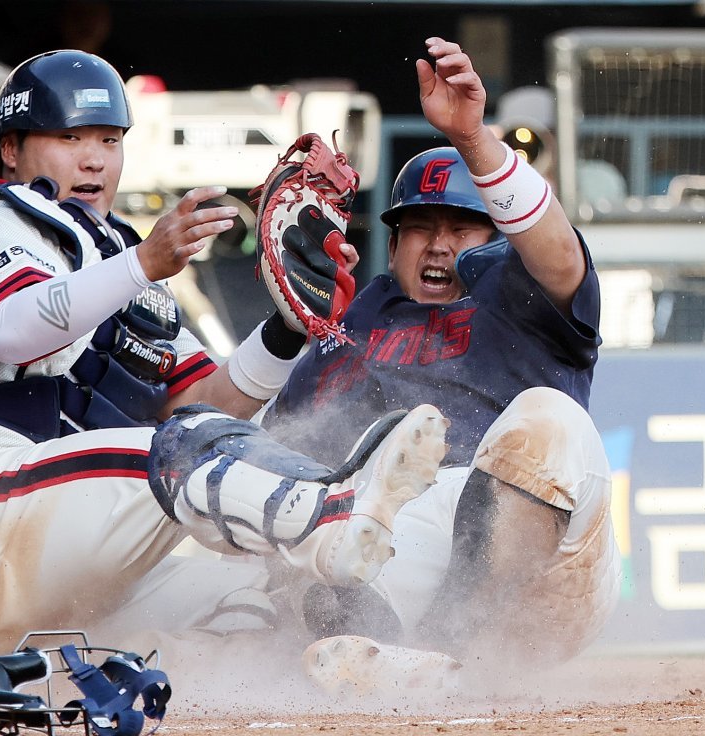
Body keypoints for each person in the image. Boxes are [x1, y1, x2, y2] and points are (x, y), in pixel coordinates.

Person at [0, 48, 450, 656]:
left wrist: (287, 329)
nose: (93, 158)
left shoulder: (128, 271)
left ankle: (339, 660)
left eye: (108, 139)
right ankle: (335, 512)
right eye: (68, 136)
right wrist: (143, 262)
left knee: (265, 598)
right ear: (12, 150)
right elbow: (14, 328)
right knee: (186, 450)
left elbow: (208, 405)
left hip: (70, 564)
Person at [254, 37, 621, 670]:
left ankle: (458, 638)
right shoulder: (356, 318)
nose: (437, 244)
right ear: (393, 245)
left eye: (460, 227)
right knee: (330, 565)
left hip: (544, 563)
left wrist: (477, 140)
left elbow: (559, 257)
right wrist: (288, 330)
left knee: (549, 419)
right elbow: (287, 443)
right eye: (419, 227)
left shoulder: (520, 291)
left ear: (497, 237)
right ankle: (419, 670)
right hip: (407, 538)